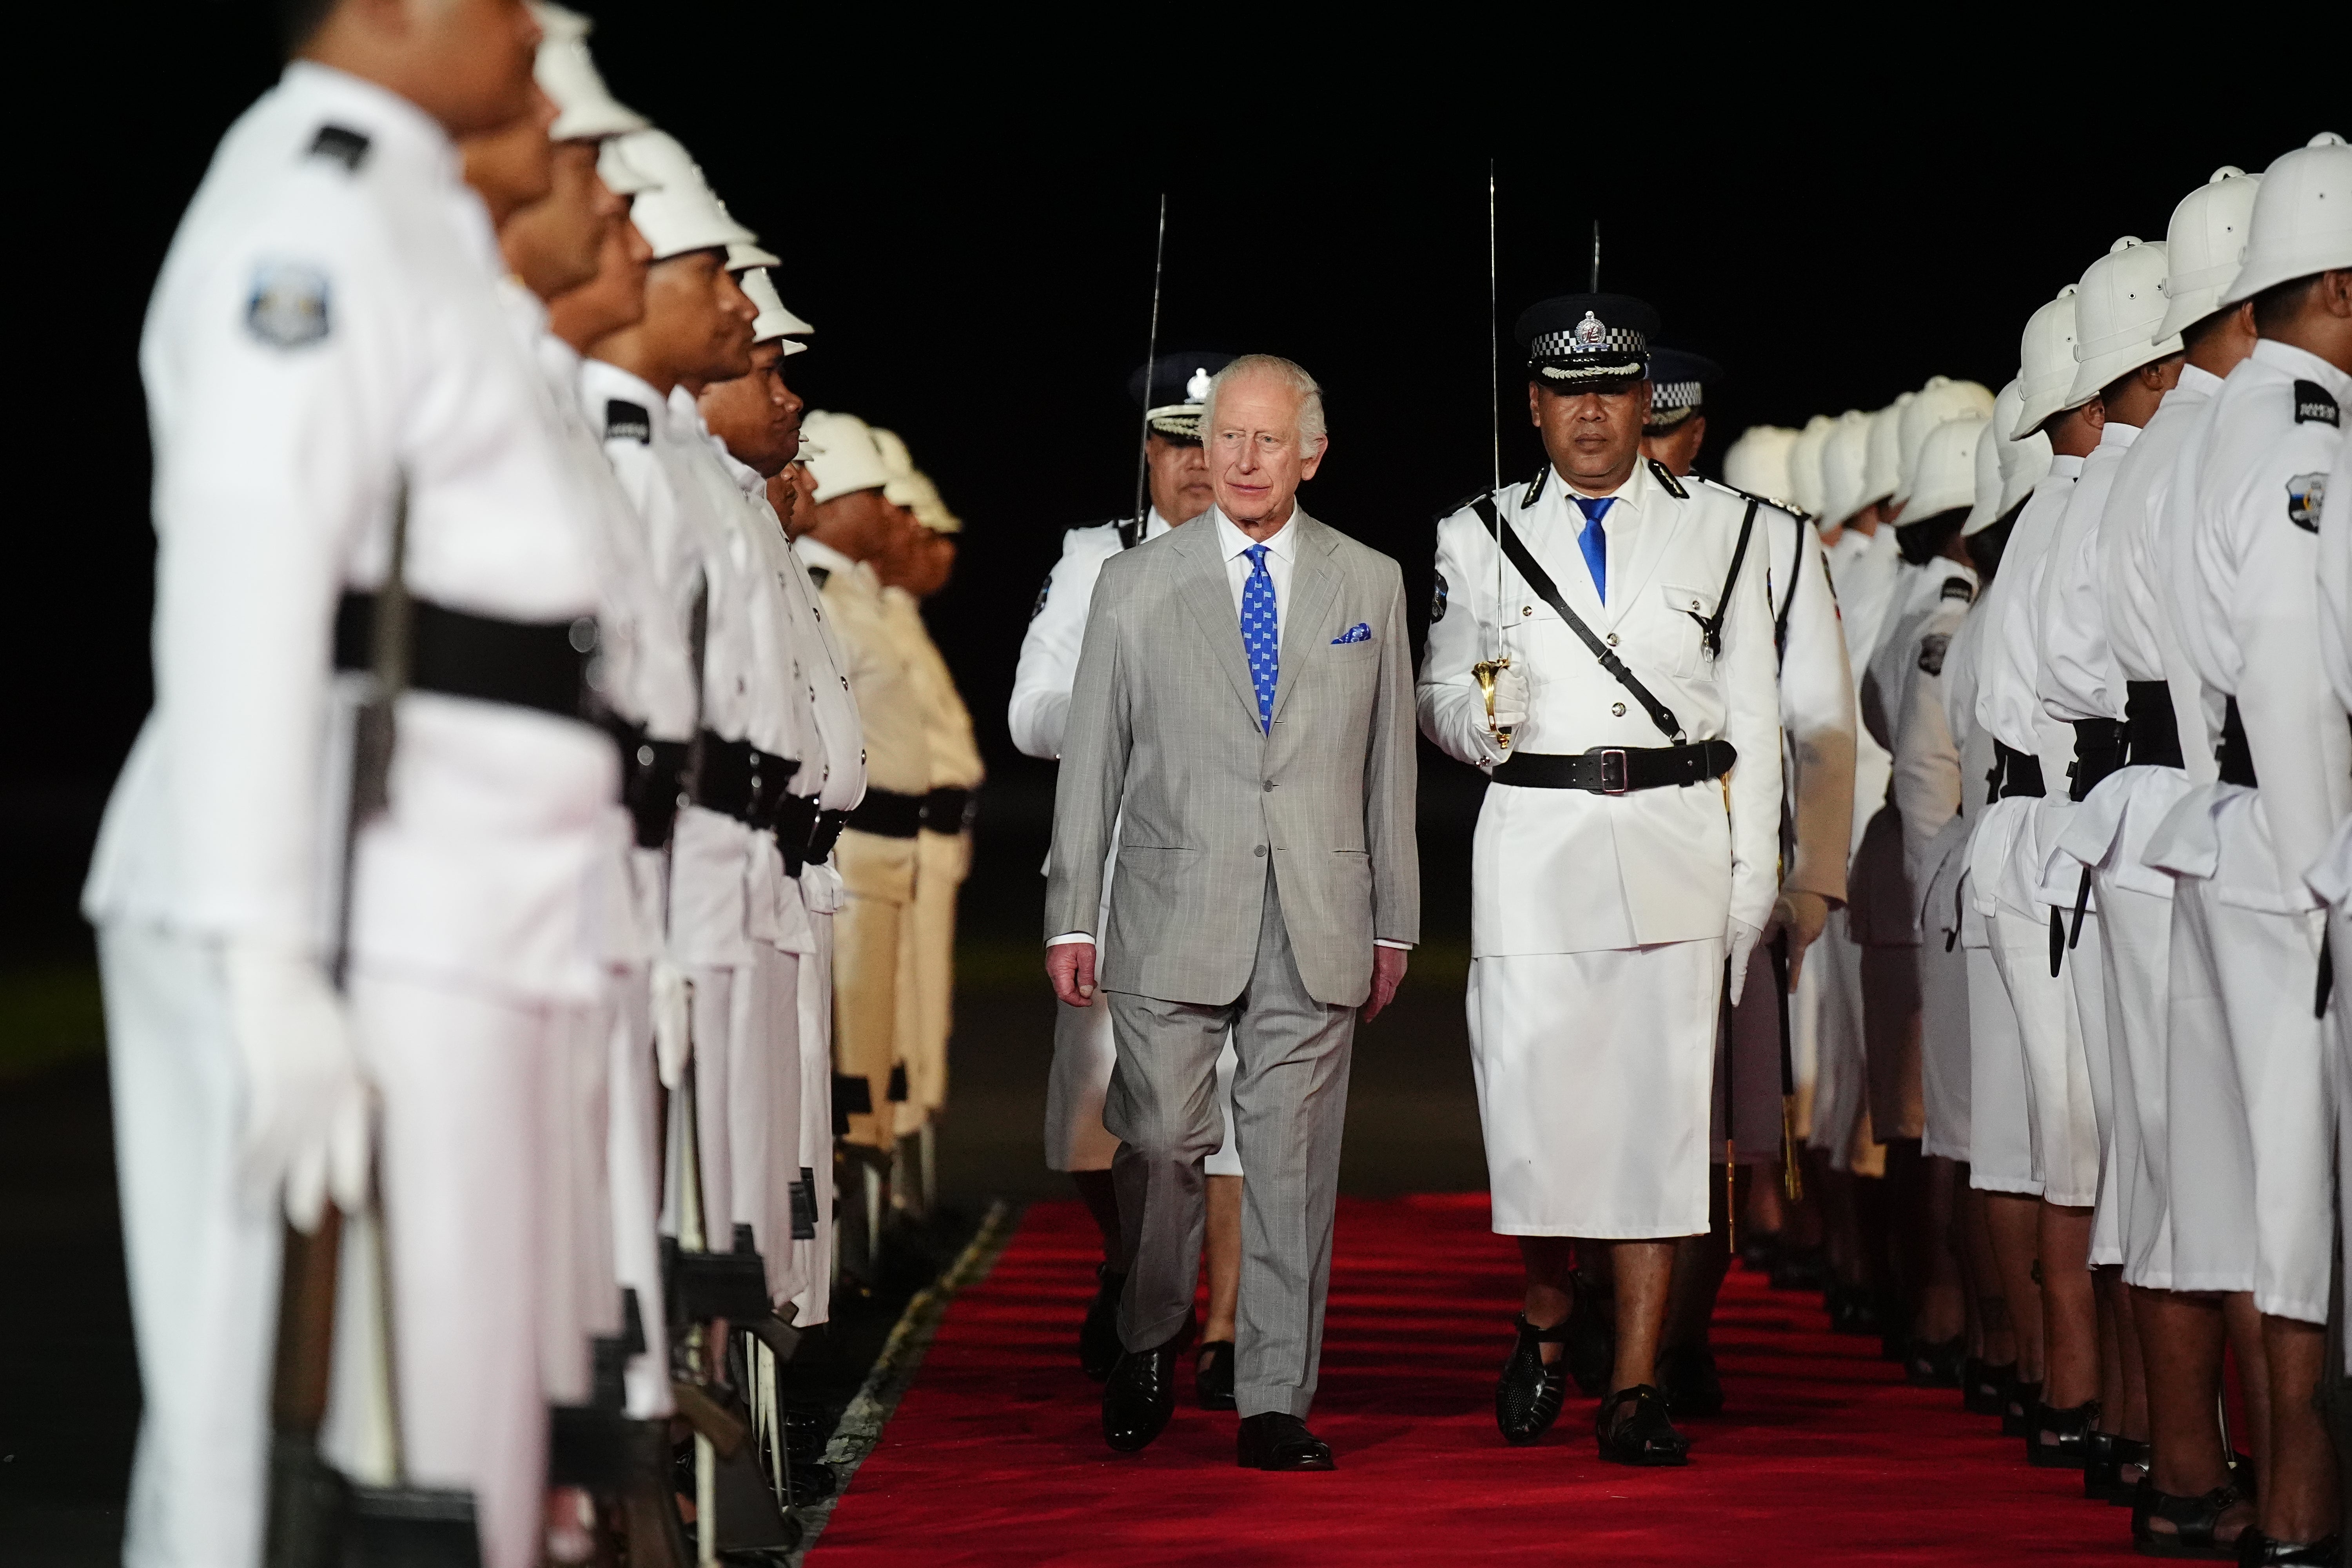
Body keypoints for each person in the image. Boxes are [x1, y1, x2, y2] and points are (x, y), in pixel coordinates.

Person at [80, 1, 624, 1563]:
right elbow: (252, 563)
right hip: (346, 890)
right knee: (276, 1442)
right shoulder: (313, 205)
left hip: (435, 884)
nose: (527, 25)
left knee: (430, 1450)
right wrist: (266, 963)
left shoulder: (400, 204)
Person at [1419, 294, 1780, 1465]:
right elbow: (1435, 694)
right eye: (1568, 392)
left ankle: (1636, 1385)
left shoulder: (1732, 530)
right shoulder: (1475, 533)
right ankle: (1543, 1312)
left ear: (1645, 401)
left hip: (1675, 838)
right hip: (1535, 842)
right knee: (1532, 1114)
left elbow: (1763, 729)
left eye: (1613, 390)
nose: (1591, 413)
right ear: (1534, 405)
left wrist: (1751, 886)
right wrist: (1480, 724)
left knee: (1661, 1131)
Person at [1045, 353, 1418, 1470]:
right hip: (1167, 905)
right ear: (1200, 451)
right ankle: (1153, 1328)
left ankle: (1272, 1398)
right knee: (1160, 1143)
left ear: (1311, 452)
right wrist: (1075, 913)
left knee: (1292, 1162)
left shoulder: (1371, 582)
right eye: (1226, 439)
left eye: (1268, 441)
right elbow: (1092, 763)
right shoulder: (1137, 584)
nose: (1244, 462)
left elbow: (1387, 765)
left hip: (1319, 910)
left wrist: (1392, 920)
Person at [2149, 131, 2349, 1564]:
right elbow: (2286, 654)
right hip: (2298, 859)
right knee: (2298, 1215)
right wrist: (2326, 856)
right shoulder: (2302, 437)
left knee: (2242, 1201)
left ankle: (2283, 1515)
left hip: (2230, 837)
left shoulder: (2220, 424)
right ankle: (2299, 1521)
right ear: (2336, 283)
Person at [1009, 353, 1254, 1403]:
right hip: (1117, 879)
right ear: (1146, 453)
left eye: (1219, 443)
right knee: (1093, 1118)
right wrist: (1126, 720)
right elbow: (1032, 712)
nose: (1200, 465)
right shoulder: (1097, 560)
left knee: (1234, 1107)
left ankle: (1228, 1326)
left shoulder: (1273, 567)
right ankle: (1135, 1258)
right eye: (1177, 443)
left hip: (1245, 870)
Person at [2087, 166, 2267, 1553]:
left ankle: (2177, 1464)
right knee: (2259, 1202)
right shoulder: (2273, 437)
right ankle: (2282, 1492)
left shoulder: (2141, 462)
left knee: (2167, 1181)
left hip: (2154, 818)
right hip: (2245, 815)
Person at [1649, 370, 1857, 1419]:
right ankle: (1609, 1312)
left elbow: (1822, 720)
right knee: (1611, 1121)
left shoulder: (1767, 541)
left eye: (1670, 430)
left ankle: (1681, 1336)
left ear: (1697, 431)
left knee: (1728, 1138)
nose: (1655, 450)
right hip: (1610, 879)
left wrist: (1813, 877)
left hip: (1731, 882)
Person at [1853, 413, 1987, 1391]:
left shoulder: (1913, 608)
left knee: (1914, 1116)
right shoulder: (1945, 618)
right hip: (1929, 876)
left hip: (1909, 871)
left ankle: (1922, 1300)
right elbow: (1929, 775)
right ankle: (1940, 1305)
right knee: (1939, 1118)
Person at [797, 410, 929, 1182]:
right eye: (873, 493)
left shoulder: (855, 595)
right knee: (851, 1056)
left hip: (889, 851)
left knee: (877, 1046)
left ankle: (873, 1210)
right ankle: (851, 1225)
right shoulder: (822, 592)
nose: (888, 511)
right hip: (852, 846)